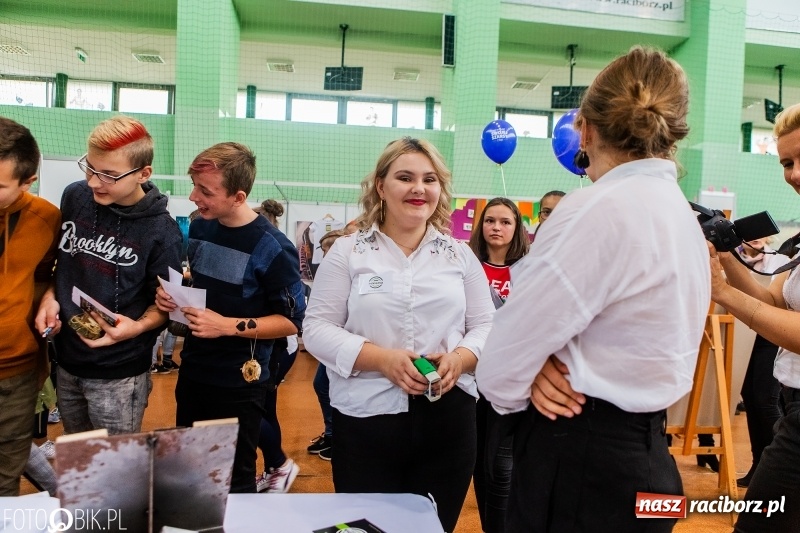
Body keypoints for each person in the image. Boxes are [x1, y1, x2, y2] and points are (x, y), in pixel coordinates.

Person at [476, 46, 710, 532]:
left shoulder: (593, 210)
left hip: (582, 460)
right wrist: (532, 365)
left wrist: (526, 369)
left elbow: (499, 372)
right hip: (647, 454)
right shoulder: (680, 212)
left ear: (584, 129)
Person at [302, 137, 495, 532]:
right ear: (381, 186)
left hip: (449, 421)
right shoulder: (349, 252)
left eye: (429, 179)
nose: (418, 189)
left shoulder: (459, 256)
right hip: (366, 421)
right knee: (366, 527)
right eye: (405, 177)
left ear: (440, 189)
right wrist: (382, 360)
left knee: (433, 527)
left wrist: (460, 358)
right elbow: (317, 328)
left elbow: (487, 326)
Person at [155, 142, 306, 494]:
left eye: (205, 190)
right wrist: (175, 292)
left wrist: (226, 325)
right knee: (192, 470)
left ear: (238, 196)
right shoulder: (204, 227)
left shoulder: (273, 247)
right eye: (194, 185)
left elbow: (291, 321)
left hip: (239, 384)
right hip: (193, 370)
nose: (194, 196)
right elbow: (207, 280)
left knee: (233, 481)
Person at [36, 115, 182, 437]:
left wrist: (137, 328)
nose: (93, 182)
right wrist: (50, 296)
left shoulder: (163, 233)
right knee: (82, 462)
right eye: (89, 167)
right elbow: (61, 264)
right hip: (67, 361)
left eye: (108, 175)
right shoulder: (75, 197)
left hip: (119, 374)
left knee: (116, 472)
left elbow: (167, 306)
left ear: (143, 174)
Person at [709, 102, 800, 532]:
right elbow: (775, 305)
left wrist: (723, 291)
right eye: (786, 162)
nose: (794, 174)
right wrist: (725, 257)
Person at [0, 117, 60, 496]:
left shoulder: (47, 219)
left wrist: (52, 294)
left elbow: (50, 274)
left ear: (27, 181)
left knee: (5, 476)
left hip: (16, 374)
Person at [468, 197, 530, 533]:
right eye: (490, 221)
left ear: (516, 228)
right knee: (476, 460)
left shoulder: (530, 269)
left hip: (512, 378)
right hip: (470, 375)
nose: (496, 227)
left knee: (502, 465)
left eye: (505, 222)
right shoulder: (467, 265)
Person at [253, 202, 301, 493]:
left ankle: (280, 464)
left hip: (281, 347)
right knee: (266, 409)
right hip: (269, 347)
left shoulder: (277, 252)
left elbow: (290, 316)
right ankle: (275, 468)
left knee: (251, 410)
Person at [306, 228, 348, 461]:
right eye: (322, 251)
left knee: (327, 386)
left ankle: (337, 437)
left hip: (345, 344)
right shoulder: (330, 271)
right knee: (323, 385)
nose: (324, 255)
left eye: (326, 250)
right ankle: (333, 434)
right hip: (333, 343)